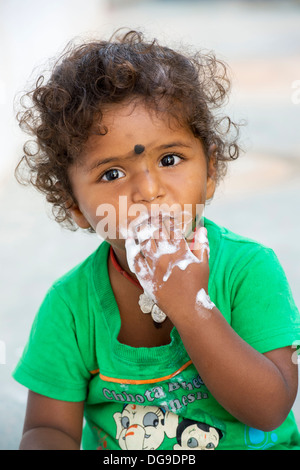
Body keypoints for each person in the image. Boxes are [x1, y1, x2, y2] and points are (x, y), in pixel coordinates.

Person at [13, 29, 300, 450]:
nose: (148, 191)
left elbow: (270, 408)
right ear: (75, 206)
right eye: (111, 173)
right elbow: (46, 429)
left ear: (210, 173)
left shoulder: (247, 270)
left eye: (170, 159)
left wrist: (192, 308)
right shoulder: (71, 307)